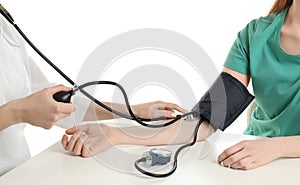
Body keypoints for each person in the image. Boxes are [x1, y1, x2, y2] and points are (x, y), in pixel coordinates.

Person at [62, 0, 300, 170]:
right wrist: (116, 134)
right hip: (254, 157)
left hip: (271, 156)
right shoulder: (255, 34)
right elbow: (206, 120)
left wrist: (275, 148)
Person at [0, 10, 184, 176]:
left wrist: (130, 111)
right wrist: (18, 112)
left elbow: (46, 98)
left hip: (16, 175)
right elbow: (25, 106)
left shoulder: (4, 24)